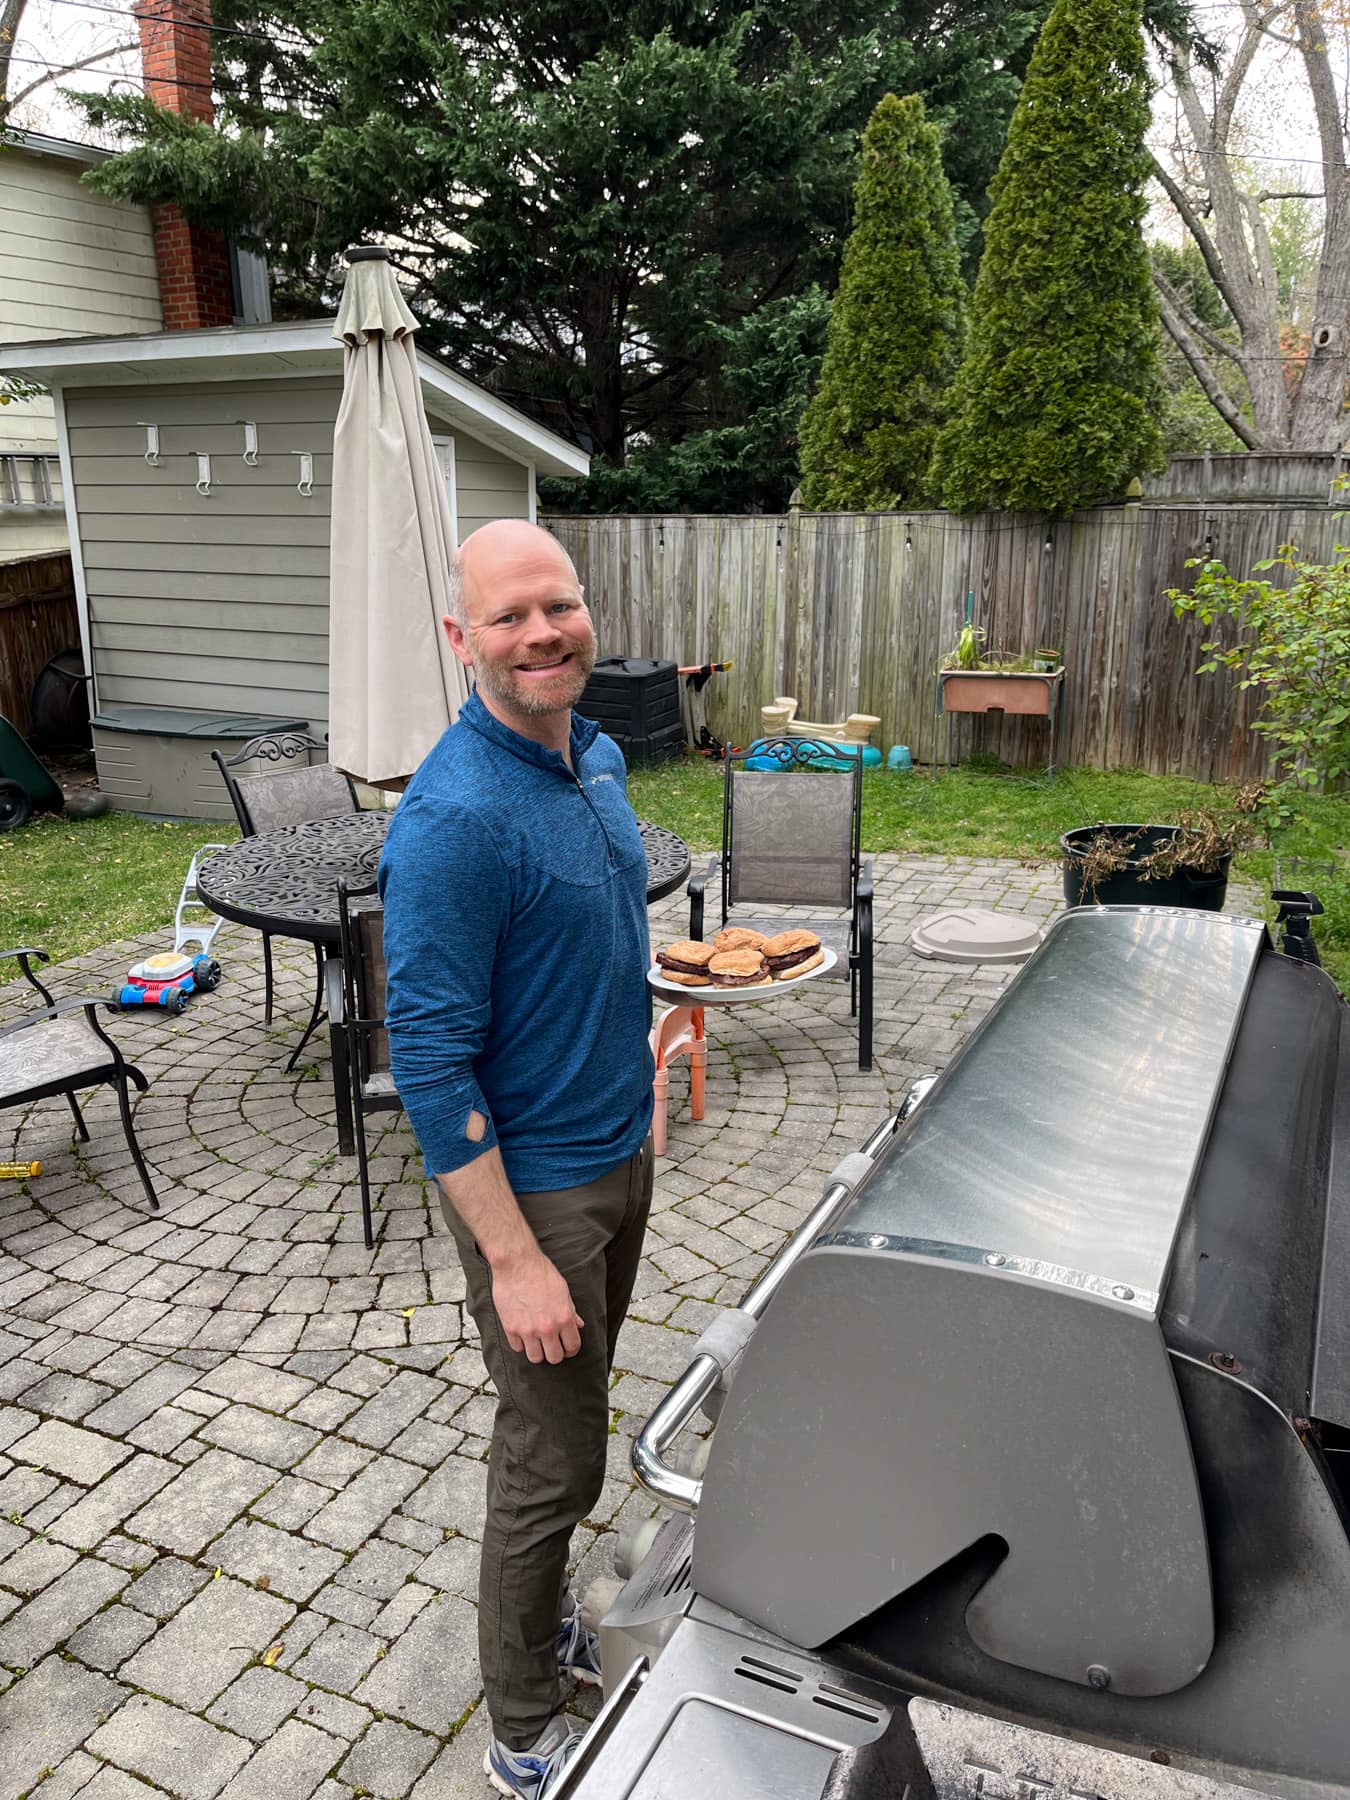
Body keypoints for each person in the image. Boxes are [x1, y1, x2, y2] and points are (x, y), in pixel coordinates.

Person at [379, 518, 655, 1800]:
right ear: (463, 640)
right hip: (535, 1197)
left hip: (619, 1150)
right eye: (508, 617)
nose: (541, 632)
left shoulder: (589, 754)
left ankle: (536, 1642)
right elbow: (429, 1066)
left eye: (558, 605)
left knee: (576, 1431)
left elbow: (591, 933)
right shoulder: (453, 819)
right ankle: (523, 1722)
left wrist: (635, 1047)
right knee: (554, 1462)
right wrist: (513, 1259)